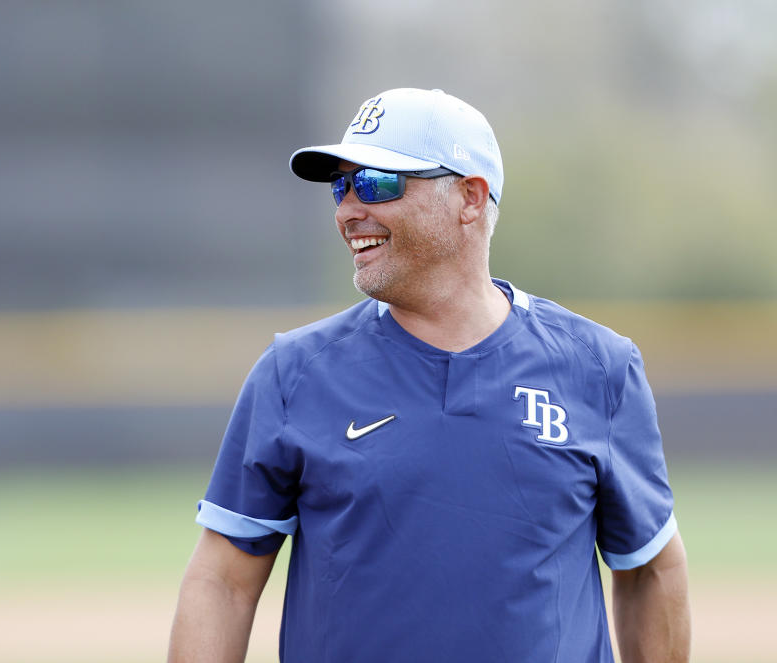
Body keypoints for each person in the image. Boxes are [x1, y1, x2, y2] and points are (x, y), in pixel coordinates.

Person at [168, 88, 690, 663]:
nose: (347, 210)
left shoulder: (600, 368)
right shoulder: (294, 373)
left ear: (470, 196)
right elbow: (222, 582)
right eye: (341, 186)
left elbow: (650, 569)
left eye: (376, 183)